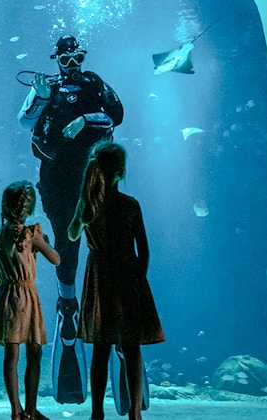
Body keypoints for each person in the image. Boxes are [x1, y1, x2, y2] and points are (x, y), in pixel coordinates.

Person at [17, 34, 124, 403]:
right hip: (58, 180)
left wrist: (84, 119)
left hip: (95, 176)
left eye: (77, 58)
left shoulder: (94, 83)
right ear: (57, 61)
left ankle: (109, 304)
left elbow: (117, 114)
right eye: (66, 60)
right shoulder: (47, 88)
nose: (73, 66)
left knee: (105, 241)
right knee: (68, 241)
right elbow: (24, 122)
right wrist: (41, 96)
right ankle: (68, 305)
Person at [67, 141, 165, 420]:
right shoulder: (130, 205)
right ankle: (135, 414)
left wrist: (82, 205)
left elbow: (72, 234)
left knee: (101, 348)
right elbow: (144, 250)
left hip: (99, 278)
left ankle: (97, 413)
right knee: (131, 347)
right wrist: (138, 282)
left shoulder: (90, 204)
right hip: (128, 277)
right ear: (121, 171)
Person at [0, 181, 61, 420]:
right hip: (27, 295)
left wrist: (7, 287)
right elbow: (56, 259)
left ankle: (16, 410)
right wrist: (46, 242)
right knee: (34, 352)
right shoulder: (31, 235)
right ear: (29, 208)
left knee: (11, 355)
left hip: (6, 295)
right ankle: (31, 409)